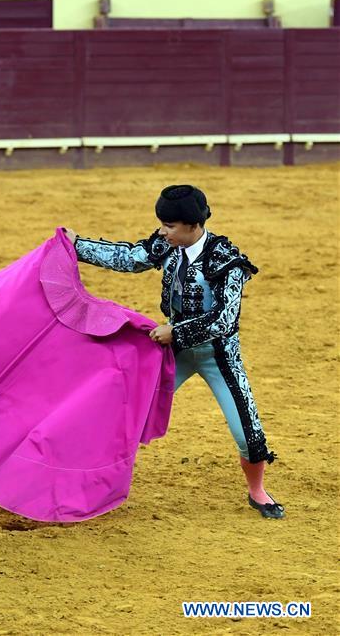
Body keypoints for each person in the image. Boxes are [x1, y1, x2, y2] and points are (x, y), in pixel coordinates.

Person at [65, 185, 284, 519]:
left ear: (192, 226)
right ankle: (94, 480)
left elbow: (224, 319)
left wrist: (176, 331)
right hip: (172, 352)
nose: (163, 232)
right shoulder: (166, 245)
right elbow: (129, 258)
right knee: (124, 413)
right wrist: (77, 245)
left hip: (218, 356)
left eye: (170, 226)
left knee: (247, 431)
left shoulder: (226, 260)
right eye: (163, 225)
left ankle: (257, 491)